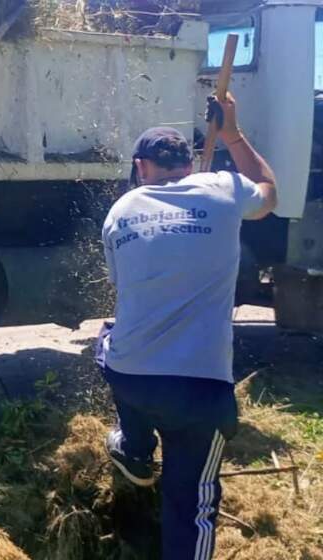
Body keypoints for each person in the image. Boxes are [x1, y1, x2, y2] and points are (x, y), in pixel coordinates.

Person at [96, 92, 277, 560]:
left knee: (108, 337)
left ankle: (134, 444)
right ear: (189, 162)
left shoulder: (121, 209)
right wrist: (233, 133)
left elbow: (125, 285)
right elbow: (269, 191)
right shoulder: (224, 189)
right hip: (198, 393)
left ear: (141, 167)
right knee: (190, 503)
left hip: (131, 378)